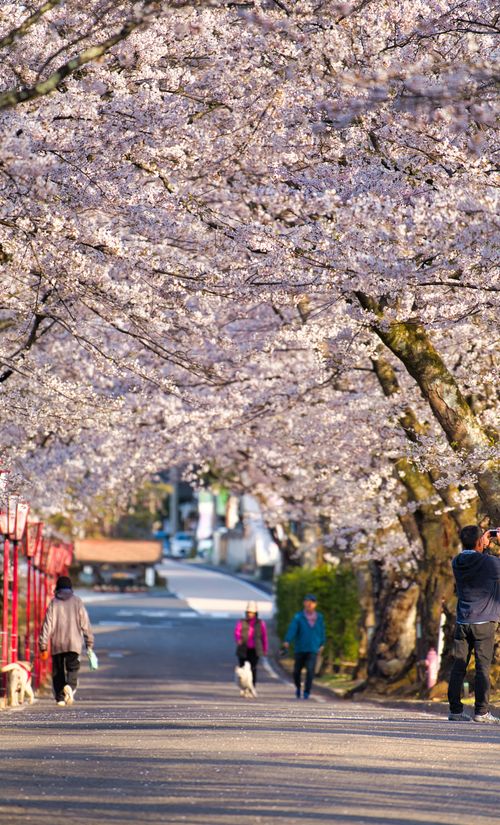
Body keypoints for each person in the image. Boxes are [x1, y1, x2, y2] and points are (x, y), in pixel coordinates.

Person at [448, 525, 500, 723]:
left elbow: (477, 559)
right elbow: (490, 564)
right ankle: (481, 712)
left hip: (463, 620)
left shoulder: (457, 561)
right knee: (482, 668)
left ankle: (455, 710)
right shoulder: (489, 564)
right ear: (480, 542)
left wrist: (483, 543)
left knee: (458, 666)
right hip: (484, 622)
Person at [39, 575, 94, 707]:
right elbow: (85, 623)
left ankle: (60, 698)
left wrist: (43, 644)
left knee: (58, 671)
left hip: (57, 643)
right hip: (74, 643)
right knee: (72, 668)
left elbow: (48, 625)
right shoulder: (77, 601)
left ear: (57, 588)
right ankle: (70, 686)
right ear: (70, 588)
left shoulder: (54, 603)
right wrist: (89, 642)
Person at [283, 593, 326, 699]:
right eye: (307, 602)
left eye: (311, 602)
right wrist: (287, 640)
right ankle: (298, 687)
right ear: (304, 603)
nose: (309, 605)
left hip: (313, 648)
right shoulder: (298, 616)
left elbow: (322, 631)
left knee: (310, 670)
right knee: (296, 671)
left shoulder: (319, 617)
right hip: (300, 648)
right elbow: (292, 629)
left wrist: (322, 643)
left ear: (315, 604)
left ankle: (307, 691)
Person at [234, 601, 268, 691]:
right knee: (242, 669)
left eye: (252, 612)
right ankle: (243, 687)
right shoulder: (242, 622)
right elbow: (237, 632)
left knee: (253, 668)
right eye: (248, 612)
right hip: (243, 648)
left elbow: (264, 636)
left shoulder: (260, 623)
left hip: (255, 649)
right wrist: (238, 640)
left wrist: (264, 649)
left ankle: (252, 686)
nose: (250, 614)